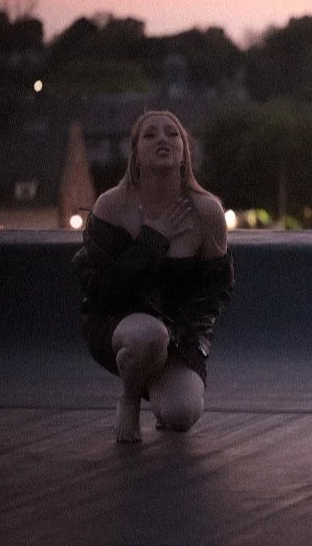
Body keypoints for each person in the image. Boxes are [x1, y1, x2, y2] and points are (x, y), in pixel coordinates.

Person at [72, 109, 233, 443]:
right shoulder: (112, 206)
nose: (163, 139)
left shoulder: (207, 212)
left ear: (184, 153)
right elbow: (98, 288)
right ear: (135, 154)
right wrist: (152, 239)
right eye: (150, 134)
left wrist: (185, 340)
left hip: (178, 336)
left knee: (181, 414)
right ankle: (130, 399)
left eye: (172, 134)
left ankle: (158, 378)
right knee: (149, 335)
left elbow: (214, 293)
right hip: (118, 325)